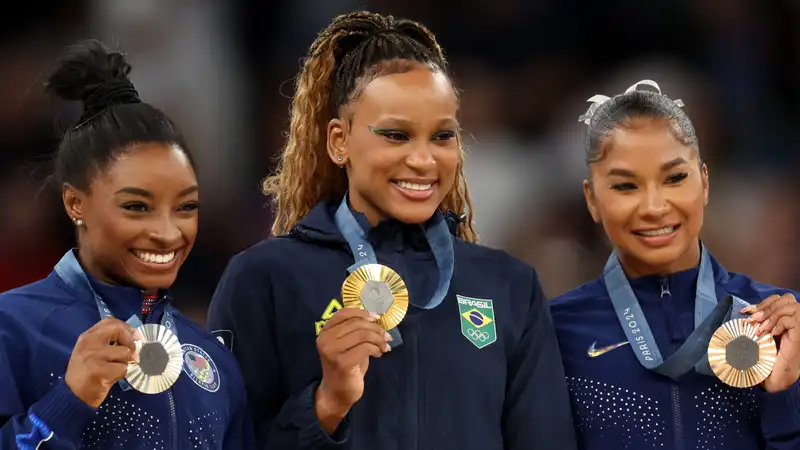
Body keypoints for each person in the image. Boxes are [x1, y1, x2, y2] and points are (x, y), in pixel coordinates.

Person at [207, 10, 577, 450]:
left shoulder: (510, 288)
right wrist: (325, 405)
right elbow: (226, 440)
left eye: (442, 137)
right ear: (339, 142)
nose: (423, 160)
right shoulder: (264, 279)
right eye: (397, 136)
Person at [0, 39, 255, 449]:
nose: (168, 232)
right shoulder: (13, 328)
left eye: (186, 206)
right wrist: (69, 401)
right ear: (75, 203)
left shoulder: (214, 359)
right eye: (137, 206)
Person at [550, 79, 800, 450]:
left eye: (675, 178)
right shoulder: (553, 333)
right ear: (592, 199)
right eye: (625, 186)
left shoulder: (782, 324)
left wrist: (784, 395)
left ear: (704, 182)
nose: (654, 207)